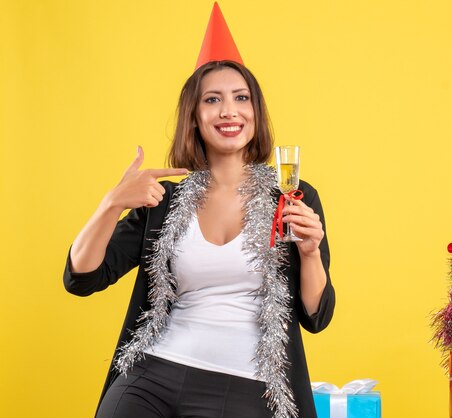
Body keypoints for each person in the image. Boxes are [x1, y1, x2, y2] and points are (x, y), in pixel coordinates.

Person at [63, 59, 335, 418]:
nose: (228, 111)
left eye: (241, 98)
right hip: (152, 375)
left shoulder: (290, 197)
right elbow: (82, 277)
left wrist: (311, 252)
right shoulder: (163, 201)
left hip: (246, 383)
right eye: (211, 100)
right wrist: (111, 204)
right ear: (193, 116)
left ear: (256, 111)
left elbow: (316, 317)